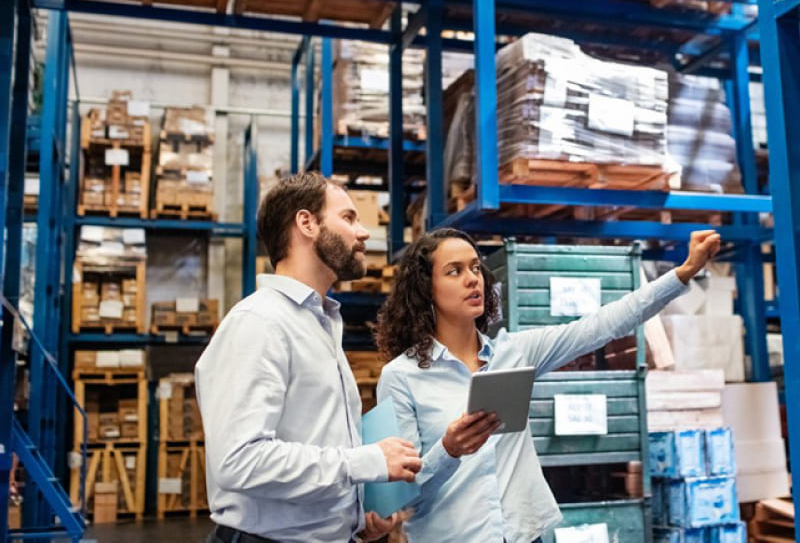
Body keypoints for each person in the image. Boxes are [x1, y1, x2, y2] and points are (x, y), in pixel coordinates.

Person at [375, 228, 721, 543]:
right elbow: (399, 495)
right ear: (425, 289)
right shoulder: (401, 377)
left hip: (525, 535)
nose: (472, 279)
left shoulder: (515, 352)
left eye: (476, 268)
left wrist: (684, 272)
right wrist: (448, 450)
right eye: (455, 271)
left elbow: (602, 325)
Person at [195, 172, 422, 543]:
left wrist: (353, 516)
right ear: (307, 223)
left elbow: (317, 441)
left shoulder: (321, 322)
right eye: (348, 218)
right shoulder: (260, 323)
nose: (363, 233)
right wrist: (366, 461)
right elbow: (239, 462)